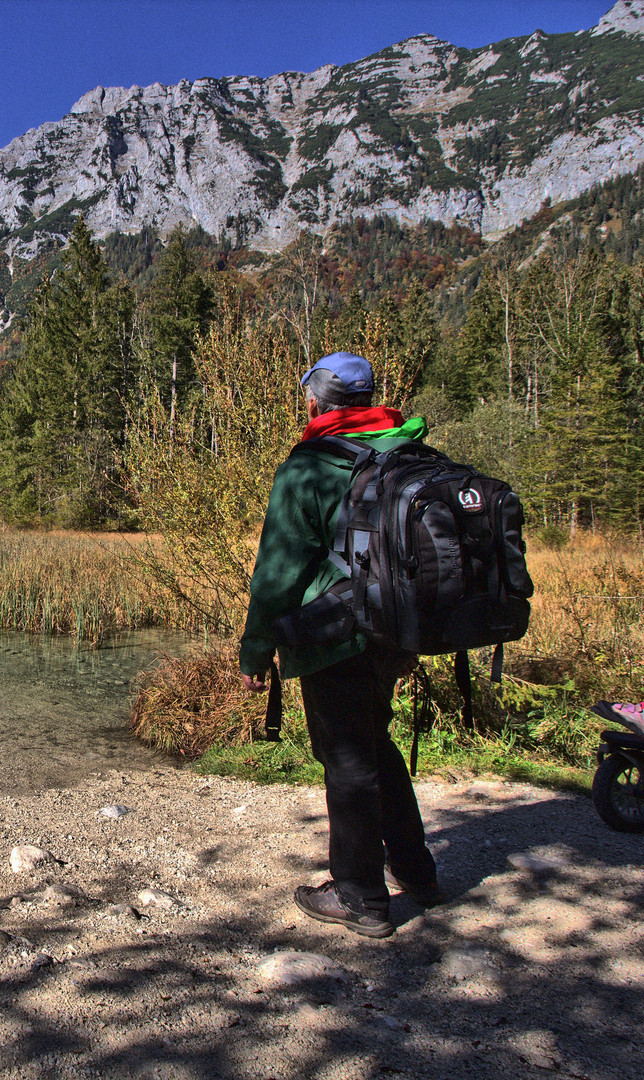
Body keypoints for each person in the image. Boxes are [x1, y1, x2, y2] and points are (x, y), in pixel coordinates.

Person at [238, 351, 441, 939]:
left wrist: (257, 651)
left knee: (348, 758)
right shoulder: (405, 449)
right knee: (374, 743)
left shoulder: (308, 467)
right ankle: (416, 871)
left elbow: (277, 571)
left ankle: (359, 895)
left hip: (336, 633)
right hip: (398, 630)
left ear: (313, 403)